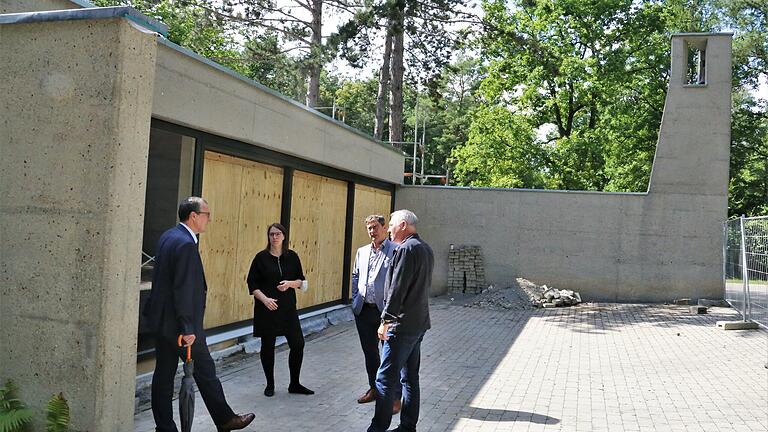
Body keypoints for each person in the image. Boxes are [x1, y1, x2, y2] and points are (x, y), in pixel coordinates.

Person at [143, 197, 255, 432]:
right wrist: (188, 328)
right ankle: (226, 420)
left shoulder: (168, 236)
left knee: (163, 375)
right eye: (206, 214)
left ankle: (165, 427)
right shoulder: (185, 244)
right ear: (193, 216)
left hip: (161, 322)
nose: (209, 219)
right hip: (180, 327)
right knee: (205, 370)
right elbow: (183, 289)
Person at [368, 210, 434, 432]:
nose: (388, 229)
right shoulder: (425, 248)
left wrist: (386, 320)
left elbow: (398, 289)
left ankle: (377, 428)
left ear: (403, 225)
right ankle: (408, 427)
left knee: (385, 379)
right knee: (410, 378)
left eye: (392, 225)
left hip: (401, 326)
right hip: (418, 324)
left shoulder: (406, 249)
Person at [246, 223, 314, 397]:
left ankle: (295, 383)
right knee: (267, 346)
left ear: (284, 236)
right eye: (271, 234)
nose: (274, 237)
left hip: (288, 309)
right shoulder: (261, 258)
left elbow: (302, 283)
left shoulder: (292, 257)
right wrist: (265, 300)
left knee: (298, 344)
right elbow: (252, 284)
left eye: (277, 234)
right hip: (267, 309)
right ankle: (270, 384)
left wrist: (290, 284)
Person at [351, 215, 401, 414]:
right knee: (370, 353)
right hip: (364, 310)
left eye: (375, 227)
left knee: (390, 356)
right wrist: (355, 298)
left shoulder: (395, 250)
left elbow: (399, 281)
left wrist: (392, 310)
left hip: (385, 313)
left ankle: (395, 396)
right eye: (369, 228)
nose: (372, 231)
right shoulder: (362, 252)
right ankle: (374, 388)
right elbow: (355, 276)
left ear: (384, 228)